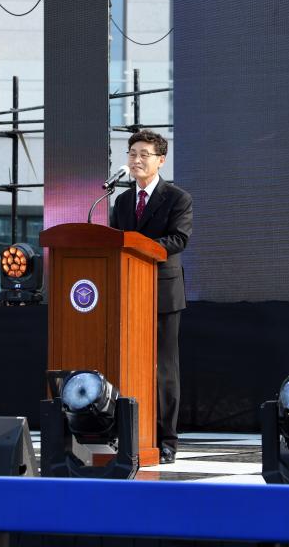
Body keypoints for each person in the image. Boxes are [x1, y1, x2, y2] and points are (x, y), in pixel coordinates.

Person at [110, 130, 193, 464]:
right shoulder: (120, 201)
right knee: (127, 364)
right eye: (132, 153)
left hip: (161, 293)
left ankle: (167, 439)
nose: (136, 159)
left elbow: (178, 239)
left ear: (161, 160)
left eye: (144, 154)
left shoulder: (178, 198)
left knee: (163, 369)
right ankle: (131, 433)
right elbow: (114, 244)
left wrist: (138, 249)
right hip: (127, 293)